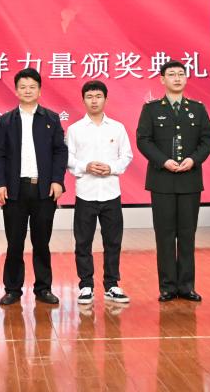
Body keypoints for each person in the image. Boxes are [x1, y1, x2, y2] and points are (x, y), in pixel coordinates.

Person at [136, 59, 210, 302]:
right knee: (165, 235)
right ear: (162, 79)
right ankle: (168, 287)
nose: (177, 78)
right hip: (162, 180)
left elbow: (207, 140)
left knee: (187, 235)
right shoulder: (151, 109)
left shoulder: (197, 109)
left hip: (190, 180)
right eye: (172, 74)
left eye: (181, 74)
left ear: (186, 78)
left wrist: (193, 159)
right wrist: (163, 161)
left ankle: (187, 286)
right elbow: (143, 140)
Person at [0, 68, 68, 306]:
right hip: (15, 190)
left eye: (32, 87)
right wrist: (0, 184)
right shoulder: (6, 121)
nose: (27, 91)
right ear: (16, 91)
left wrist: (57, 180)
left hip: (43, 190)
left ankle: (43, 288)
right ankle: (12, 289)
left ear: (39, 90)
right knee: (14, 242)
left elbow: (60, 151)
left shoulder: (51, 119)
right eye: (23, 87)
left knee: (41, 242)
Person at [67, 80, 133, 305]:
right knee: (83, 242)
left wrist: (111, 168)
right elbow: (68, 158)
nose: (94, 101)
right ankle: (86, 285)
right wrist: (85, 166)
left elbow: (126, 156)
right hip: (85, 193)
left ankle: (112, 284)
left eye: (98, 96)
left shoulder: (117, 128)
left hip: (111, 193)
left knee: (113, 241)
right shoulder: (75, 129)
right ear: (83, 100)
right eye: (89, 97)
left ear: (105, 99)